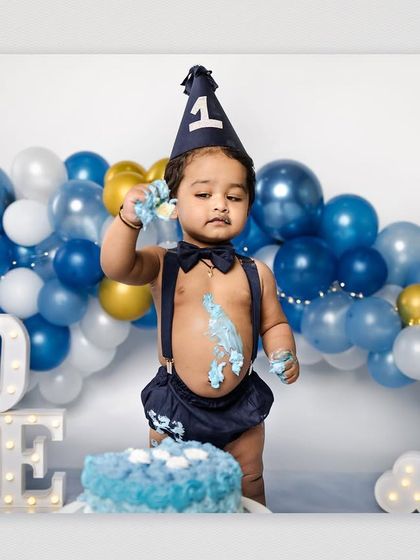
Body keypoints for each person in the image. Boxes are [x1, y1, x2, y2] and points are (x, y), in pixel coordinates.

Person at [100, 65, 299, 506]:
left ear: (249, 203)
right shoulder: (162, 264)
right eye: (204, 193)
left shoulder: (255, 272)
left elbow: (273, 325)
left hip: (241, 407)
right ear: (173, 202)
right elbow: (116, 267)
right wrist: (128, 221)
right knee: (174, 490)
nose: (220, 205)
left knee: (249, 480)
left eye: (234, 196)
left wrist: (284, 350)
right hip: (178, 406)